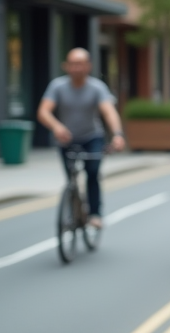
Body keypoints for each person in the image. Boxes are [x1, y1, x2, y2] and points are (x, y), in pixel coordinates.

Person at [36, 48, 126, 229]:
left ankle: (95, 213)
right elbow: (43, 112)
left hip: (92, 137)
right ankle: (74, 211)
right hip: (66, 139)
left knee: (92, 173)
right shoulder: (57, 86)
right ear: (66, 66)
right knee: (71, 179)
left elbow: (109, 112)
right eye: (72, 64)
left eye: (80, 64)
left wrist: (117, 134)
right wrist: (56, 126)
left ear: (88, 66)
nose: (76, 68)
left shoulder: (97, 87)